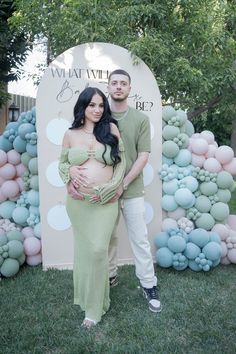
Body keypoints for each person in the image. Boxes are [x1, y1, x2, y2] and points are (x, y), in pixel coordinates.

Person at [58, 87, 126, 328]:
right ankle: (88, 302)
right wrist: (69, 174)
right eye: (92, 105)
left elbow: (121, 163)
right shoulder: (70, 133)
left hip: (105, 203)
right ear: (83, 107)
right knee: (86, 253)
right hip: (79, 204)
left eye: (100, 105)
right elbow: (62, 163)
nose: (97, 110)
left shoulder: (111, 129)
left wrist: (113, 187)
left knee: (98, 250)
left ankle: (96, 307)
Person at [107, 69, 162, 313]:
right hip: (104, 190)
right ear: (108, 87)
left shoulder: (140, 119)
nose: (118, 87)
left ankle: (149, 284)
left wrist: (124, 183)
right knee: (106, 238)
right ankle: (108, 277)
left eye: (123, 83)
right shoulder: (98, 115)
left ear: (130, 89)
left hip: (130, 188)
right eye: (114, 83)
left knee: (139, 239)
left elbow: (143, 156)